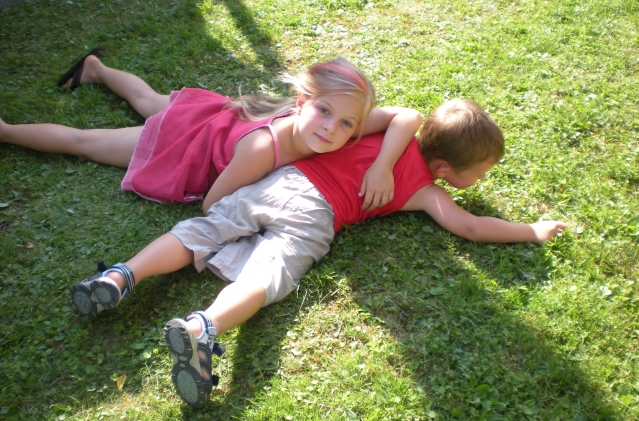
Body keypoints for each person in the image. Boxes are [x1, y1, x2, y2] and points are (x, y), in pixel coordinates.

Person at [69, 98, 566, 408]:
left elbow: (405, 115)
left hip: (282, 182)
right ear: (443, 168)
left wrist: (383, 161)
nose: (482, 179)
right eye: (480, 172)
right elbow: (471, 227)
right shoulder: (425, 190)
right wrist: (531, 231)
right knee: (266, 276)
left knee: (202, 229)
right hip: (316, 217)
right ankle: (204, 327)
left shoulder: (385, 134)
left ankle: (120, 276)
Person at [0, 49, 423, 211]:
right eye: (324, 111)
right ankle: (5, 130)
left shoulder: (344, 125)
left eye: (347, 122)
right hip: (187, 143)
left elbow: (408, 115)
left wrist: (382, 166)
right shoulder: (262, 150)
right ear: (300, 103)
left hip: (217, 119)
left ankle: (96, 68)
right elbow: (212, 205)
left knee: (148, 100)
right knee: (85, 142)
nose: (332, 129)